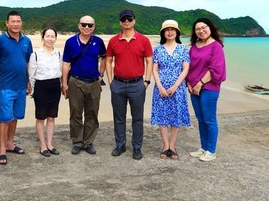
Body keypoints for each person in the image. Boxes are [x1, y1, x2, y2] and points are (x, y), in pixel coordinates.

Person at [106, 9, 153, 160]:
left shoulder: (143, 40)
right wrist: (110, 80)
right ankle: (120, 145)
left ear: (134, 20)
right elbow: (108, 60)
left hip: (137, 84)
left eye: (129, 19)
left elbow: (149, 60)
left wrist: (146, 80)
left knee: (137, 118)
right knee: (119, 117)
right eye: (123, 19)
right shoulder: (114, 41)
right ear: (120, 22)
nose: (127, 22)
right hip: (118, 84)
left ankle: (137, 148)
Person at [0, 11, 33, 165]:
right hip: (6, 86)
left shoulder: (26, 41)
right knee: (4, 118)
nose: (16, 24)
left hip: (21, 85)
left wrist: (29, 81)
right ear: (7, 23)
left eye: (18, 21)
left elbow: (28, 62)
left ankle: (10, 143)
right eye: (13, 21)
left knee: (15, 116)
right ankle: (2, 149)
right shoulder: (0, 41)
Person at [61, 15, 106, 155]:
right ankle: (77, 141)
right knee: (76, 112)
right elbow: (66, 63)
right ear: (79, 25)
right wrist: (64, 83)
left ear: (94, 27)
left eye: (90, 25)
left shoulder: (98, 41)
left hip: (94, 82)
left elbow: (104, 57)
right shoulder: (70, 42)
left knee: (92, 113)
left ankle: (88, 142)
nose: (87, 27)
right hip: (75, 81)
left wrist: (101, 74)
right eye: (84, 24)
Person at [187, 17, 226, 162]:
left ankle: (211, 151)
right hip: (194, 88)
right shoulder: (194, 46)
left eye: (204, 27)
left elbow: (215, 68)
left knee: (209, 119)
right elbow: (189, 67)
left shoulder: (216, 46)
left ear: (210, 28)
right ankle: (203, 148)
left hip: (209, 87)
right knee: (201, 119)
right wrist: (189, 83)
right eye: (198, 29)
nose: (201, 31)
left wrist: (200, 83)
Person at [151, 20, 191, 160]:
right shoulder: (158, 49)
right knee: (162, 116)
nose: (169, 32)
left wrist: (175, 86)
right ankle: (165, 145)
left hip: (178, 89)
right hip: (160, 88)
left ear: (177, 32)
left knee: (176, 116)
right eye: (167, 29)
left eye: (172, 29)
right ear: (163, 32)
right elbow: (154, 69)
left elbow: (185, 69)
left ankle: (172, 146)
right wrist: (160, 86)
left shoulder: (183, 49)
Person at [28, 27, 62, 157]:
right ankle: (42, 145)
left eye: (52, 36)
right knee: (41, 117)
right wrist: (34, 90)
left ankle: (50, 144)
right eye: (47, 36)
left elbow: (60, 72)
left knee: (52, 117)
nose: (50, 39)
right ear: (43, 38)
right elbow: (32, 74)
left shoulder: (58, 54)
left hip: (55, 86)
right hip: (41, 87)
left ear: (55, 38)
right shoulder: (36, 54)